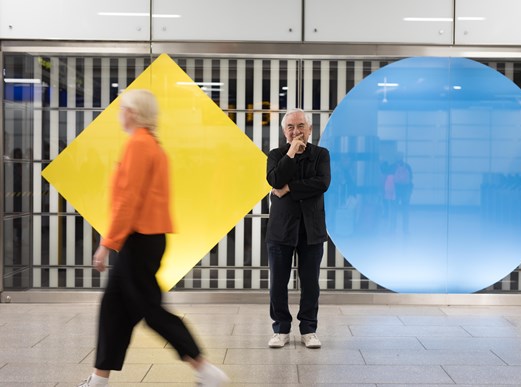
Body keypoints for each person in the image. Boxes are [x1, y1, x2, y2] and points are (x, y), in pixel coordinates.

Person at [78, 89, 229, 387]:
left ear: (133, 113)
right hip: (145, 238)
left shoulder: (138, 145)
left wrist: (107, 244)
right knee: (113, 308)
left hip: (138, 239)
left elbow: (128, 200)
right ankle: (99, 378)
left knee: (150, 309)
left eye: (122, 109)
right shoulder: (151, 145)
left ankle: (204, 368)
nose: (120, 114)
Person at [266, 108, 331, 349]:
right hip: (281, 229)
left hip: (311, 229)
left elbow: (322, 183)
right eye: (291, 127)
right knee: (278, 283)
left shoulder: (321, 155)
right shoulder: (276, 155)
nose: (296, 131)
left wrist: (290, 188)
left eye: (301, 126)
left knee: (310, 283)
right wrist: (292, 153)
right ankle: (281, 329)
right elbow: (274, 180)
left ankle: (308, 329)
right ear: (284, 132)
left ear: (310, 129)